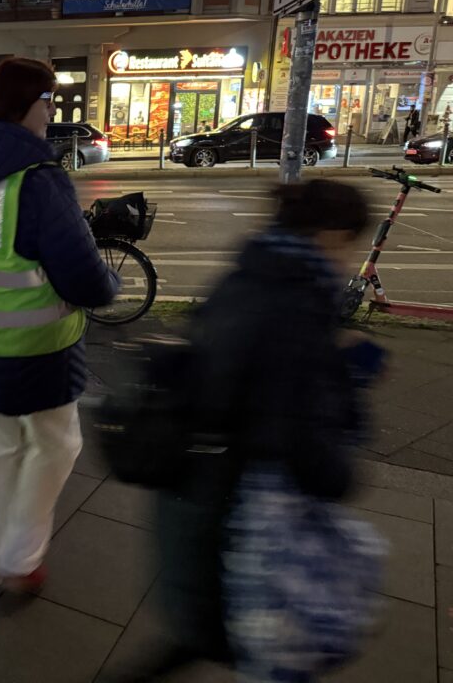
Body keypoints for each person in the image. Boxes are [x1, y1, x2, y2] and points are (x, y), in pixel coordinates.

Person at [114, 180, 377, 682]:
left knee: (203, 628)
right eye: (352, 247)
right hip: (234, 500)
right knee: (243, 634)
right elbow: (301, 434)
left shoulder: (254, 272)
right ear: (331, 237)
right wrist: (340, 469)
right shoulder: (296, 302)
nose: (351, 263)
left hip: (198, 486)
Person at [0, 57, 119, 592]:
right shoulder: (38, 182)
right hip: (33, 353)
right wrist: (111, 287)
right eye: (49, 101)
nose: (51, 112)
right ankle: (18, 556)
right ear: (30, 106)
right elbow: (85, 280)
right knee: (56, 445)